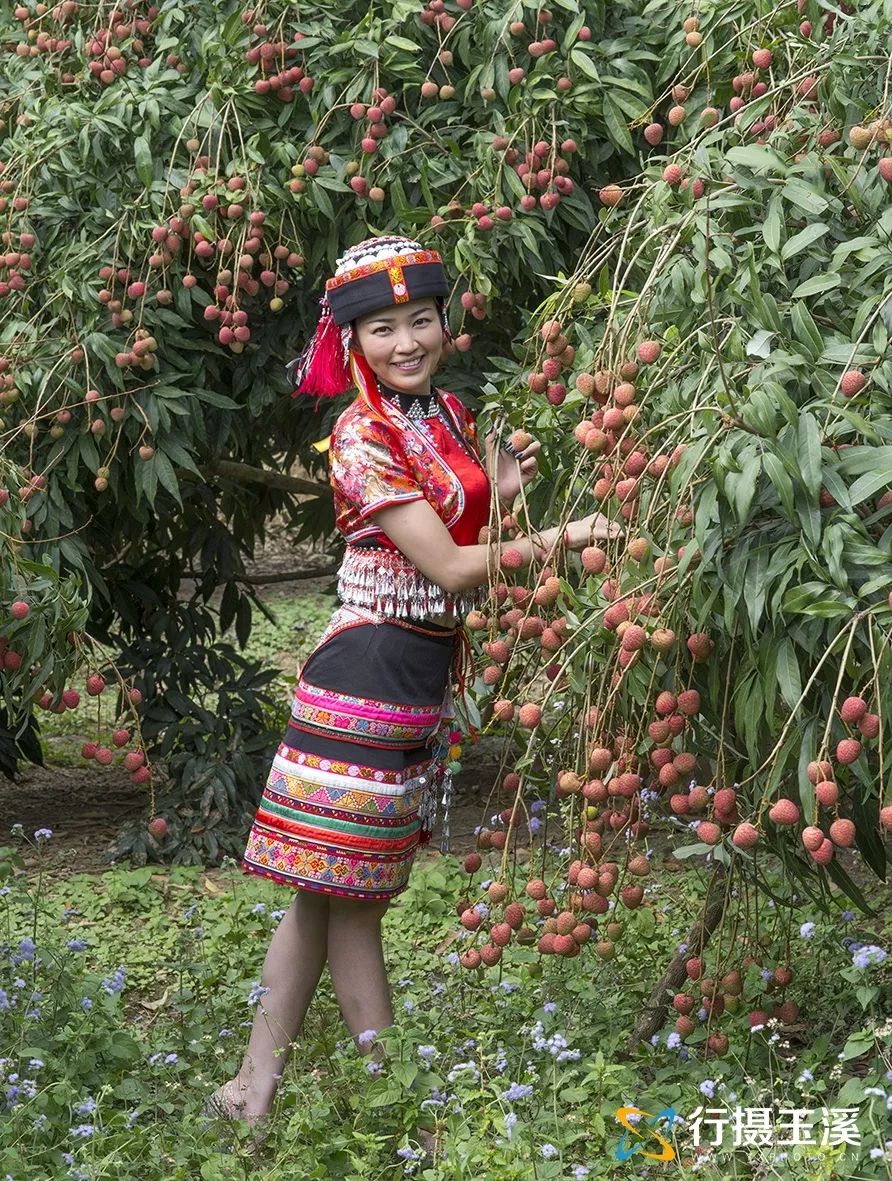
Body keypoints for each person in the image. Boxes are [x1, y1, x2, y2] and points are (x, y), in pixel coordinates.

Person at [205, 234, 618, 1143]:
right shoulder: (361, 435)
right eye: (382, 328)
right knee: (347, 894)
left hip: (413, 673)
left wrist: (508, 494)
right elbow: (453, 568)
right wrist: (572, 535)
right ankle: (394, 1099)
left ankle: (254, 1088)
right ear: (352, 343)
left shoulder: (447, 414)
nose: (405, 341)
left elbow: (467, 538)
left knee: (330, 890)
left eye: (420, 320)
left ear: (444, 323)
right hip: (369, 673)